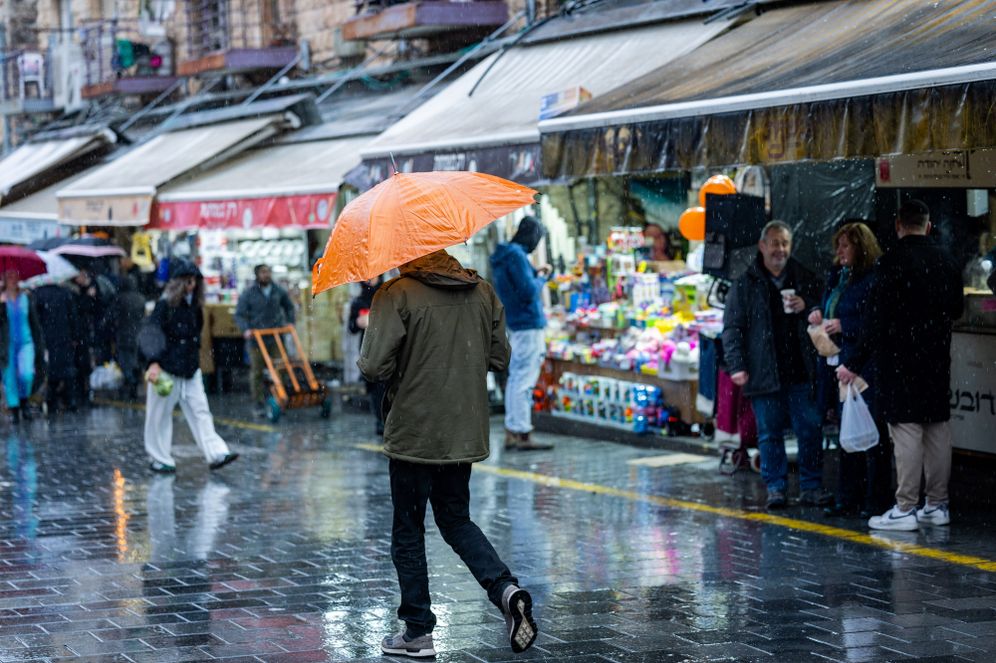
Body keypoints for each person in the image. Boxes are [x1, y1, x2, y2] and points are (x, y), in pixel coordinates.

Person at [359, 250, 538, 658]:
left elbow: (373, 368)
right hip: (462, 427)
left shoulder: (395, 294)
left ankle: (417, 631)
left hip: (414, 431)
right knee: (456, 519)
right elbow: (500, 357)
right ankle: (504, 589)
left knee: (408, 530)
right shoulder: (482, 291)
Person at [838, 200, 964, 531]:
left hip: (899, 362)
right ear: (928, 225)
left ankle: (905, 508)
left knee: (906, 431)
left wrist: (854, 362)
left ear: (898, 225)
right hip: (937, 359)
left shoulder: (890, 262)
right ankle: (937, 504)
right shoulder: (947, 260)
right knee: (937, 429)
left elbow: (874, 320)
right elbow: (956, 309)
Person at [722, 220, 830, 510]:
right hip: (762, 371)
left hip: (800, 370)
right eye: (774, 243)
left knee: (810, 429)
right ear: (762, 246)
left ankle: (811, 486)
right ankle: (776, 488)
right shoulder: (745, 283)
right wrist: (737, 365)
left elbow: (824, 308)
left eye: (784, 243)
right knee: (769, 433)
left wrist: (808, 305)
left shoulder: (804, 276)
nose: (779, 249)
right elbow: (732, 329)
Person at [808, 223, 891, 518]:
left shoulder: (873, 279)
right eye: (838, 245)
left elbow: (877, 322)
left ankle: (876, 498)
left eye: (846, 245)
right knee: (848, 430)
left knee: (872, 433)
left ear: (861, 247)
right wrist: (818, 312)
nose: (840, 251)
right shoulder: (838, 276)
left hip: (863, 366)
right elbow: (830, 306)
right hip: (837, 363)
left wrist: (846, 326)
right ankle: (849, 496)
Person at [143, 260, 238, 474]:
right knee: (159, 416)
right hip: (166, 369)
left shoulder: (194, 307)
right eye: (188, 281)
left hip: (189, 368)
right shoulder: (164, 306)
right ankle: (159, 457)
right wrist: (153, 362)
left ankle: (216, 453)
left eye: (194, 281)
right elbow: (151, 333)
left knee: (200, 411)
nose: (192, 285)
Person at [490, 216, 554, 451]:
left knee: (516, 378)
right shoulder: (516, 255)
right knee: (524, 381)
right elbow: (527, 291)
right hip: (528, 323)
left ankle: (512, 431)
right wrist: (542, 277)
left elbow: (517, 287)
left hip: (516, 322)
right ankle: (522, 433)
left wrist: (535, 273)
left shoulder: (505, 255)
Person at [234, 264, 296, 417]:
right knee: (257, 371)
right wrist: (246, 329)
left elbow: (289, 307)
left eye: (268, 272)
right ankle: (258, 403)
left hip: (276, 336)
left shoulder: (278, 291)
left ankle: (281, 399)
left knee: (281, 367)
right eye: (263, 272)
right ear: (257, 275)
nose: (266, 275)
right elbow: (239, 314)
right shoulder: (249, 293)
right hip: (256, 338)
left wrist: (290, 322)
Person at [0, 270, 44, 422]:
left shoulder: (26, 298)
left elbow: (35, 323)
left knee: (27, 374)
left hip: (26, 342)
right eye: (9, 277)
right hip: (6, 344)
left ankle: (24, 400)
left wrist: (40, 344)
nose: (12, 280)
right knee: (10, 377)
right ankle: (15, 410)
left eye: (15, 276)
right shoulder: (1, 299)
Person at [32, 282, 79, 413]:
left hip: (48, 338)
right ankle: (70, 400)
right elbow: (73, 316)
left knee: (51, 370)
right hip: (64, 336)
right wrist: (74, 336)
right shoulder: (65, 293)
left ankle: (52, 400)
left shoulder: (38, 295)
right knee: (67, 370)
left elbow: (37, 320)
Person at [348, 276, 386, 435]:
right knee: (374, 386)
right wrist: (358, 323)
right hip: (368, 350)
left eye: (373, 275)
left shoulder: (387, 296)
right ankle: (380, 420)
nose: (369, 279)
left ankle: (389, 419)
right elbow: (351, 327)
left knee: (387, 385)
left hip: (388, 346)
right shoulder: (359, 302)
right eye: (366, 276)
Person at [115, 275, 147, 400]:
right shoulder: (141, 298)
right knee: (135, 361)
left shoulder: (120, 299)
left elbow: (113, 316)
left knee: (125, 362)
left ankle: (130, 382)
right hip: (138, 335)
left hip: (124, 335)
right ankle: (134, 386)